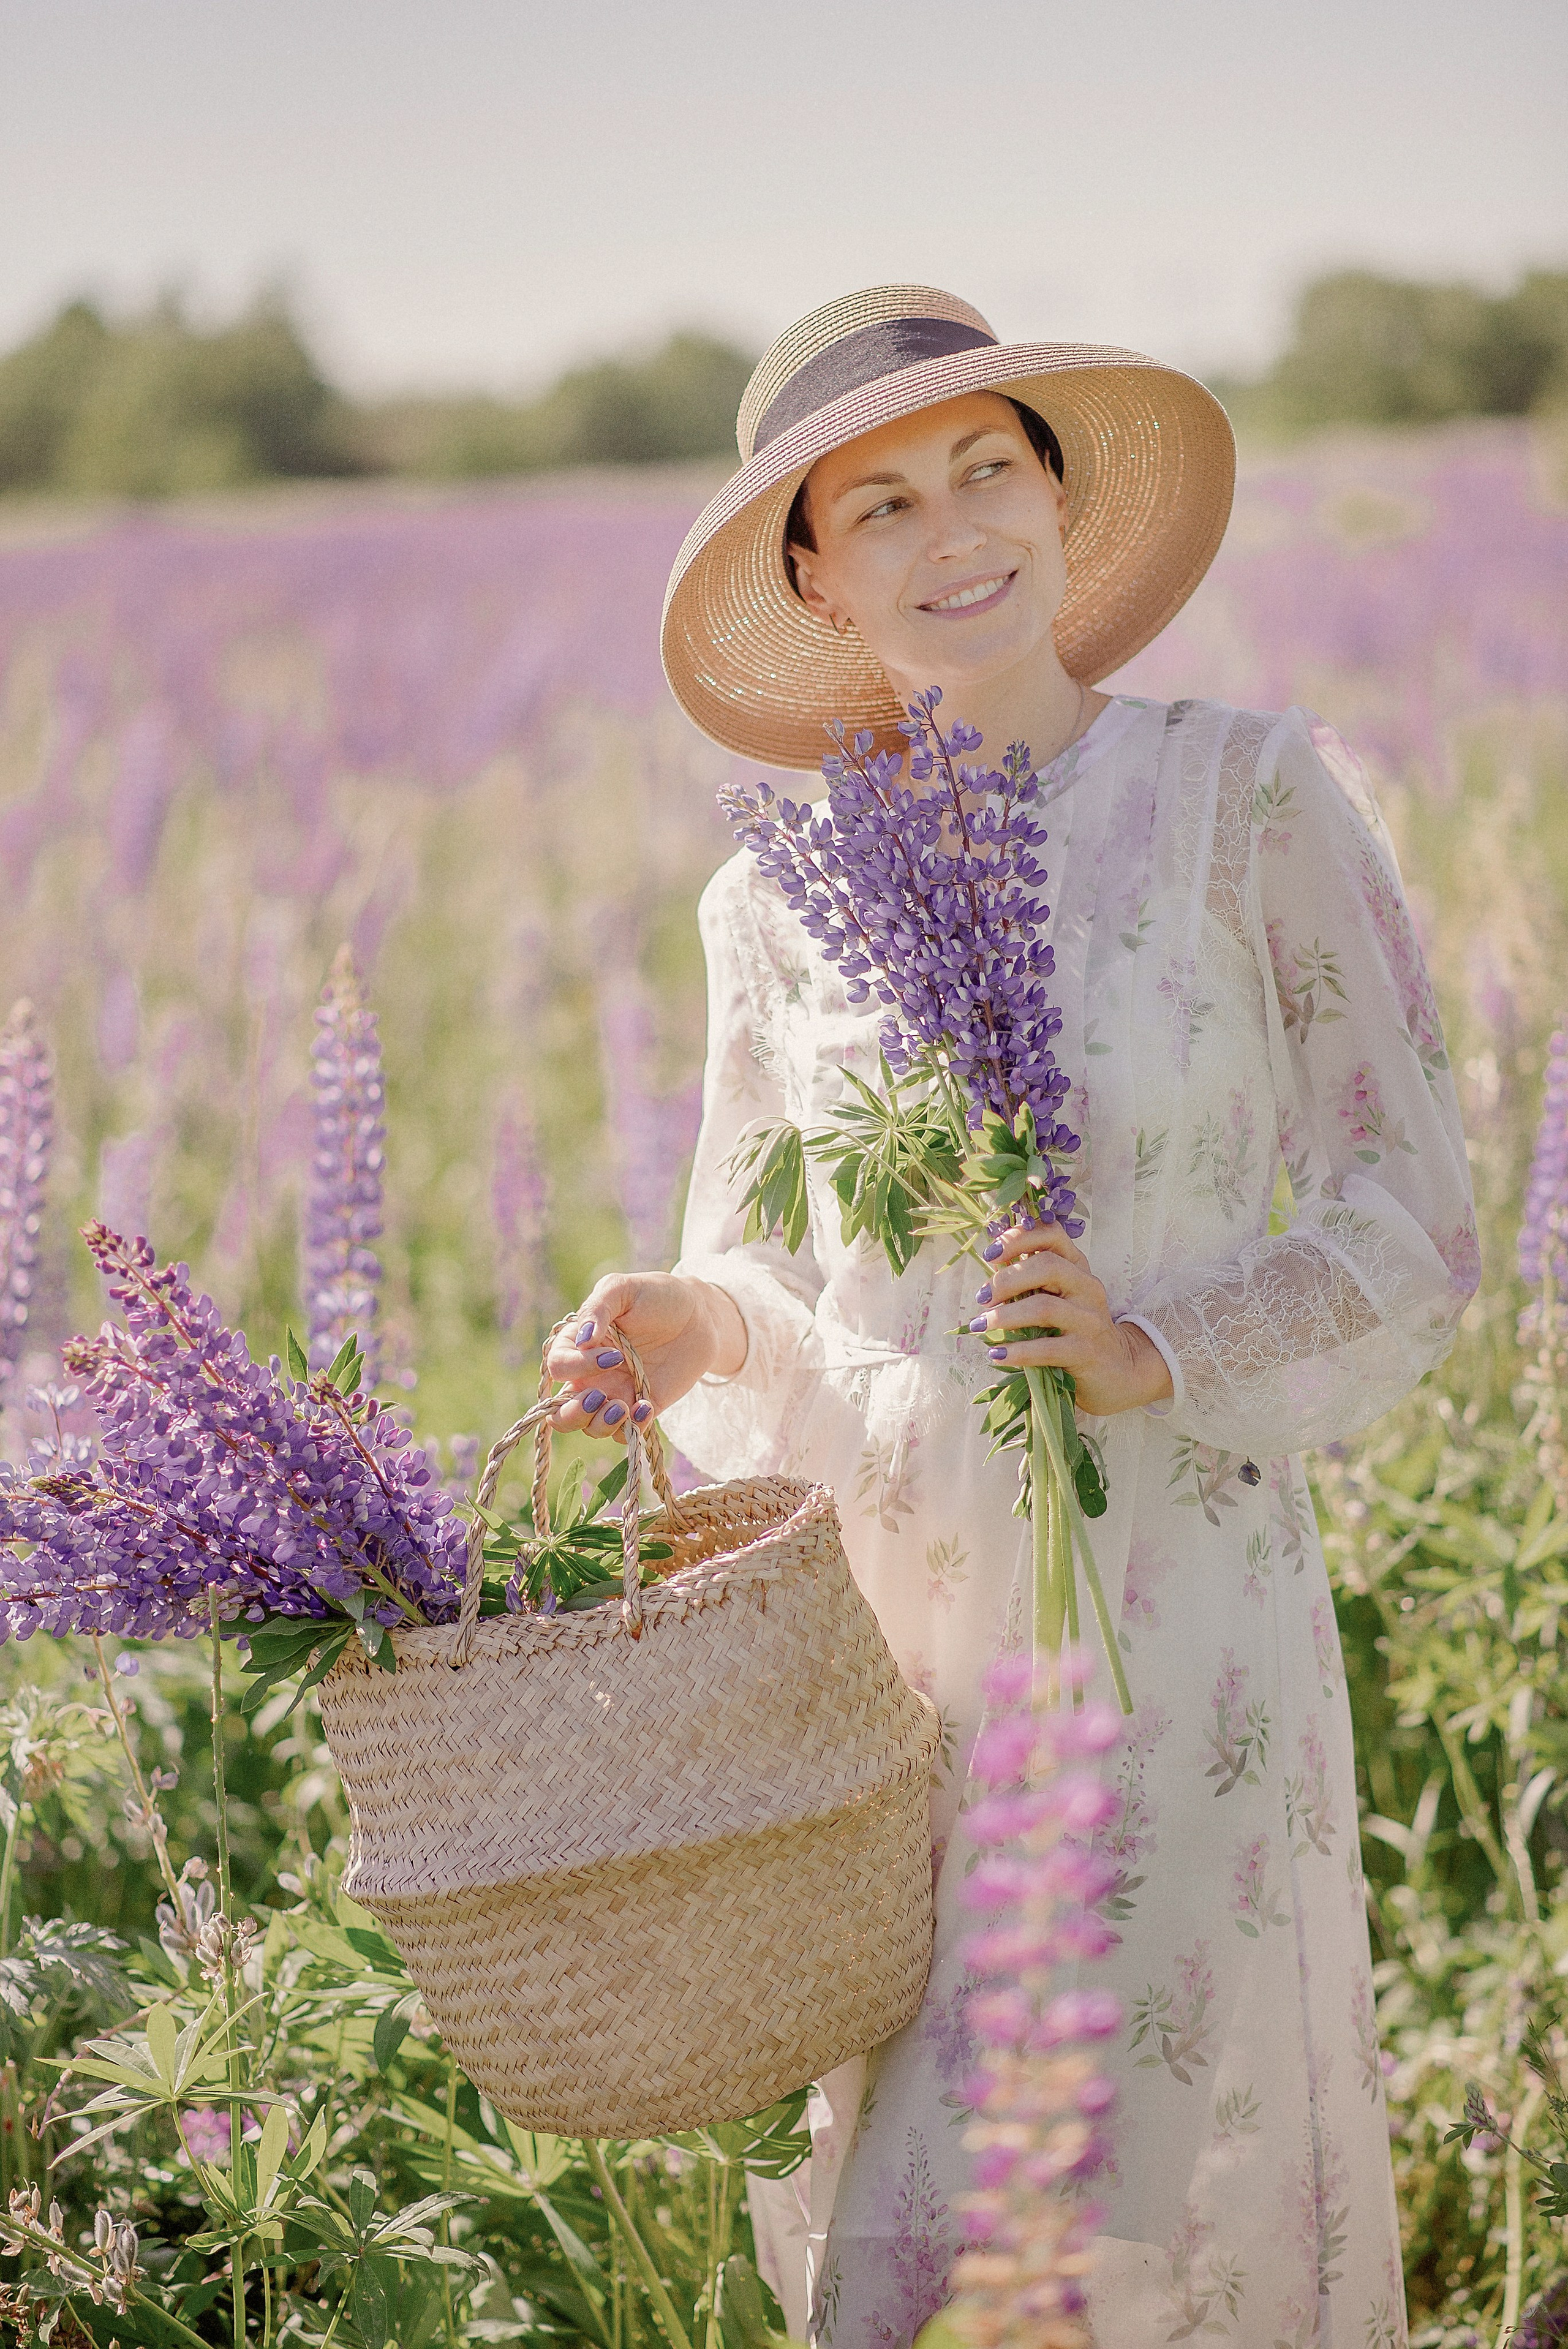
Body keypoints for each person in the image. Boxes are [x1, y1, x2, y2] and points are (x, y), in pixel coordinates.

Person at [545, 285, 1478, 2349]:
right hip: (902, 1660)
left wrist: (1166, 1338)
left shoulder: (1253, 802)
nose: (951, 528)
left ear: (1058, 497)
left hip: (1180, 1606)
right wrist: (688, 1321)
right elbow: (783, 1282)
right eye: (878, 504)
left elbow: (1409, 1207)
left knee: (1156, 2197)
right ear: (813, 570)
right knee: (925, 2233)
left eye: (990, 466)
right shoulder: (771, 898)